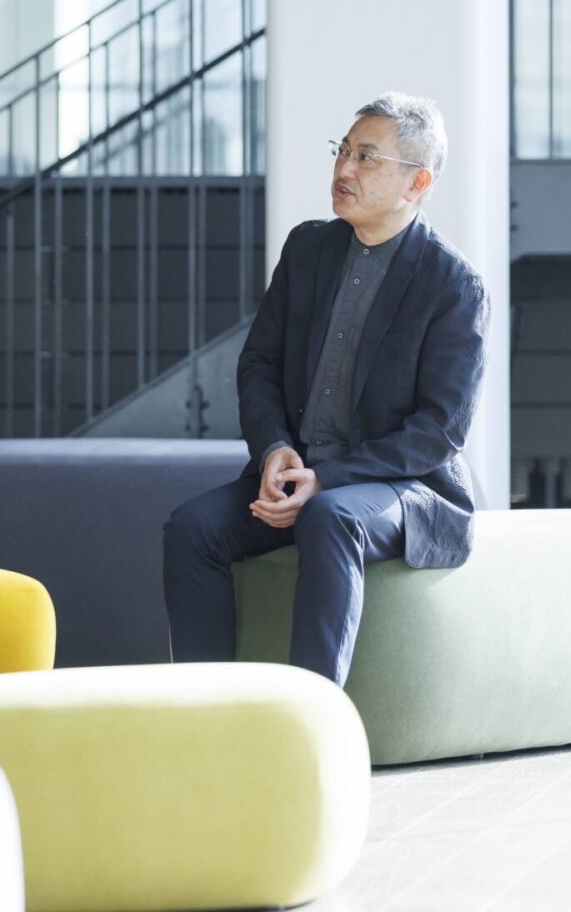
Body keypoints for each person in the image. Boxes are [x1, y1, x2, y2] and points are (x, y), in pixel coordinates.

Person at [162, 92, 491, 686]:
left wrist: (328, 478)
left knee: (329, 516)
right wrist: (274, 449)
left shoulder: (454, 284)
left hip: (404, 489)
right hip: (300, 474)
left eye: (366, 157)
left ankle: (314, 715)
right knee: (192, 528)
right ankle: (205, 709)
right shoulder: (308, 249)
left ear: (417, 182)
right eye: (343, 150)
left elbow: (439, 430)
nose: (344, 169)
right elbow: (259, 365)